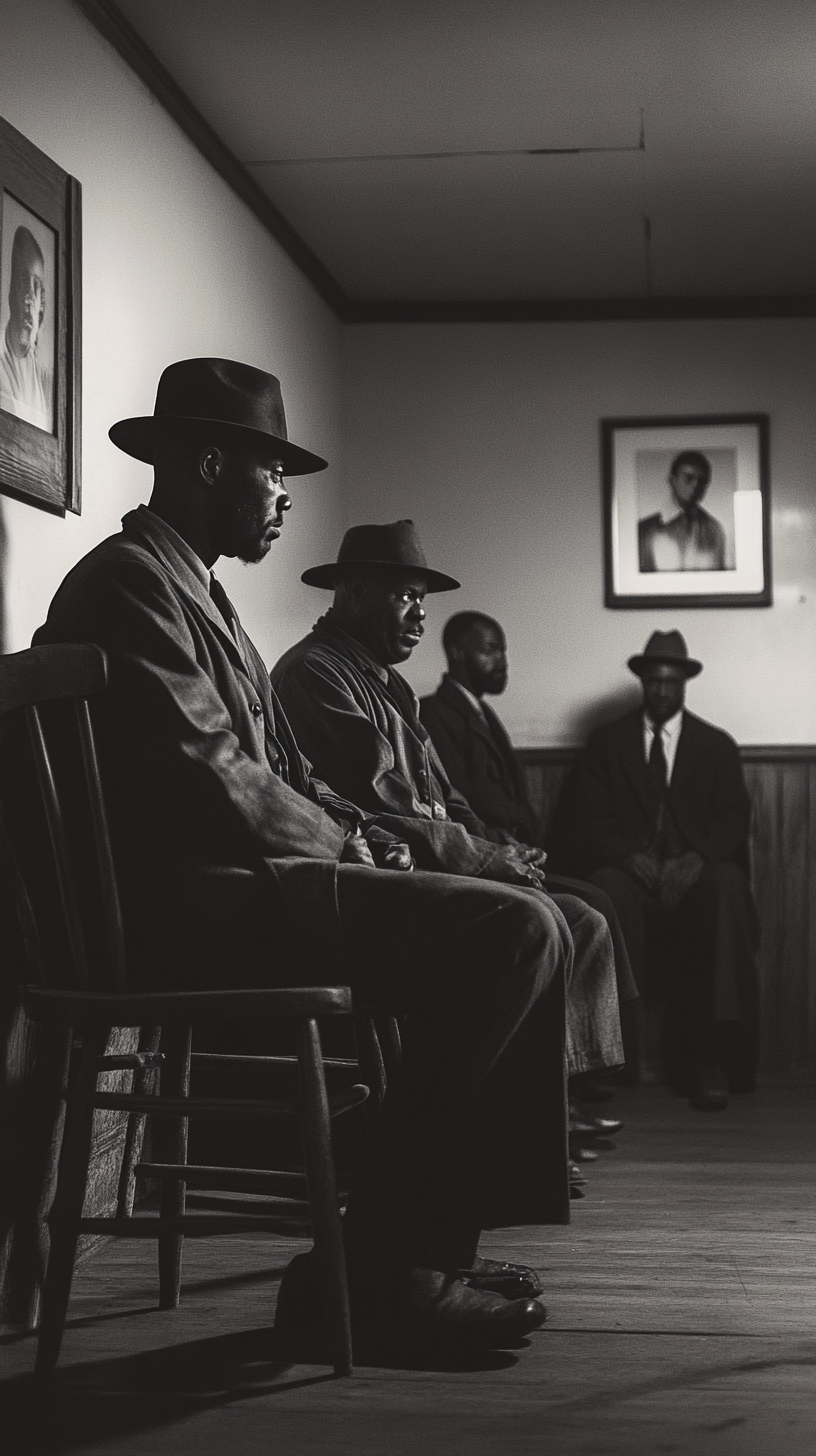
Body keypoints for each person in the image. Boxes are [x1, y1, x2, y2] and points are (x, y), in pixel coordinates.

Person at [33, 358, 577, 1356]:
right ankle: (384, 1272)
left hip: (248, 889)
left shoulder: (196, 592)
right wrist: (351, 844)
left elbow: (277, 765)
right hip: (189, 913)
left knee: (523, 922)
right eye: (271, 473)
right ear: (209, 464)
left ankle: (404, 1253)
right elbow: (218, 778)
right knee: (514, 928)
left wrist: (361, 836)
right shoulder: (128, 585)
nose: (283, 497)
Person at [271, 522, 626, 1086]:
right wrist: (485, 862)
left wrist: (495, 851)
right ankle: (504, 1122)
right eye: (405, 595)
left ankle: (546, 1112)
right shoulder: (315, 672)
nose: (419, 615)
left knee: (582, 916)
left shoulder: (391, 685)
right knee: (558, 918)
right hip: (379, 884)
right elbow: (380, 801)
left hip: (431, 866)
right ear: (354, 591)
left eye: (423, 600)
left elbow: (448, 799)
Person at [570, 630, 759, 1111]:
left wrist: (697, 860)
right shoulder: (608, 741)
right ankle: (610, 1057)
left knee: (728, 885)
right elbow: (587, 818)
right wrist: (628, 858)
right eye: (653, 681)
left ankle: (715, 1057)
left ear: (684, 684)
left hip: (693, 880)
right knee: (602, 889)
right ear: (642, 683)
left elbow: (733, 820)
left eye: (671, 682)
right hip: (634, 879)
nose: (661, 691)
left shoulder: (717, 745)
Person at [0, 225, 53, 432]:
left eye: (36, 286)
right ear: (11, 290)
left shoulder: (45, 380)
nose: (29, 298)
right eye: (23, 281)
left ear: (42, 306)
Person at [638, 451, 727, 573]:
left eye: (702, 480)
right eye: (689, 478)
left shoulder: (714, 529)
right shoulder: (645, 531)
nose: (696, 484)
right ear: (672, 480)